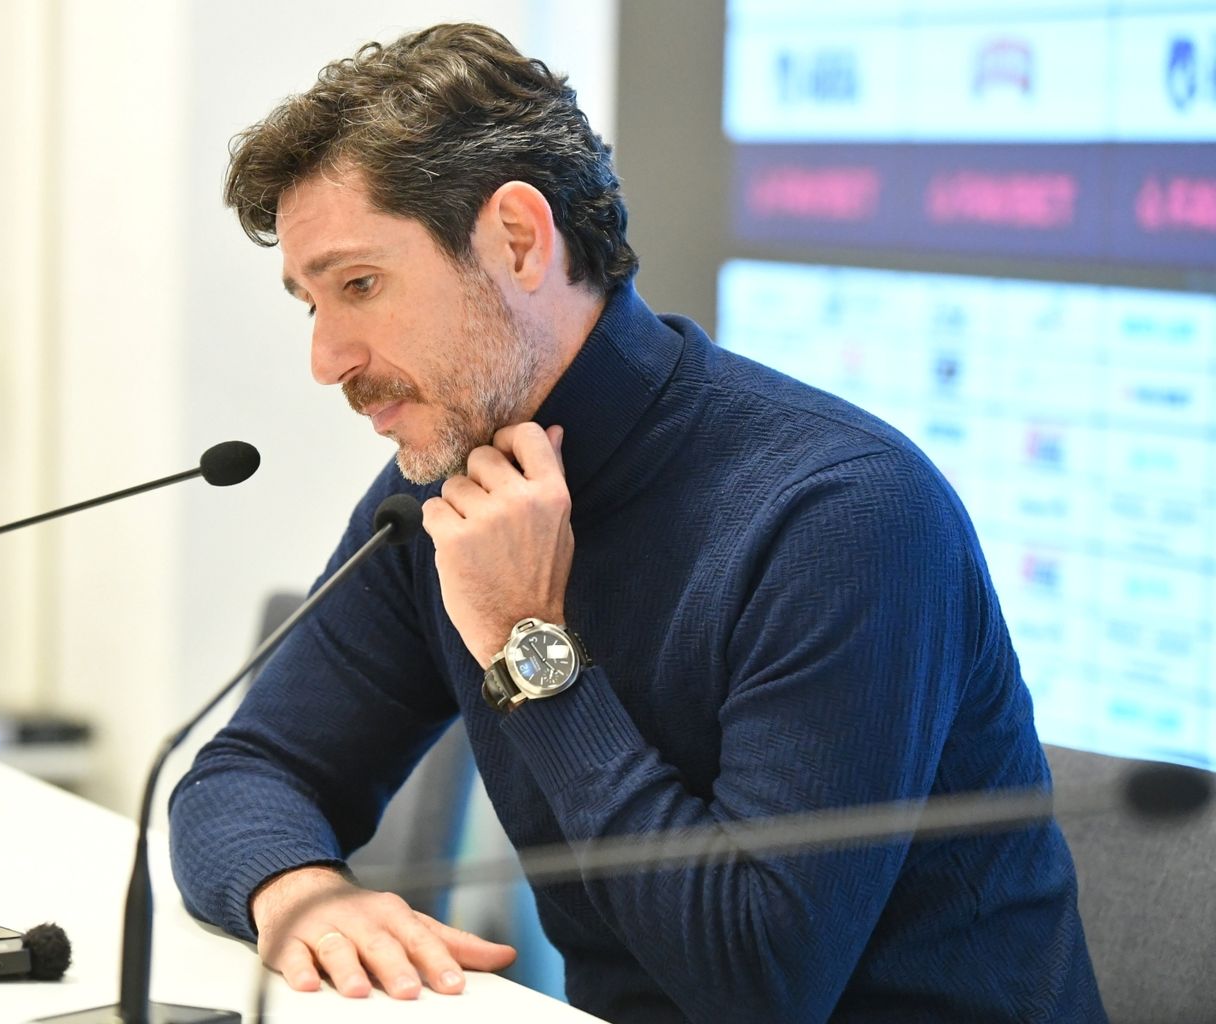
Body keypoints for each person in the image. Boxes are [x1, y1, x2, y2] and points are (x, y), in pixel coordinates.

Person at [168, 23, 1105, 1024]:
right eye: (310, 303)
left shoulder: (843, 513)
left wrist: (529, 647)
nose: (328, 360)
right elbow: (245, 773)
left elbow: (758, 988)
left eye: (360, 285)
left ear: (518, 239)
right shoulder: (451, 491)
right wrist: (299, 891)